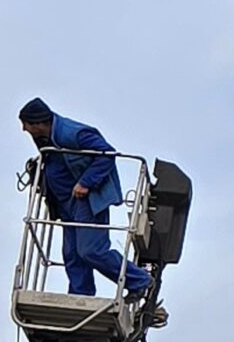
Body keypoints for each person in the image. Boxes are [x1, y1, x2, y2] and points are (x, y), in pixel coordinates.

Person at [18, 98, 166, 327]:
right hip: (67, 205)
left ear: (37, 123)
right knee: (72, 254)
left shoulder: (73, 133)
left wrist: (86, 182)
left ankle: (139, 280)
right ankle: (81, 297)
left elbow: (106, 155)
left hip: (87, 200)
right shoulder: (46, 138)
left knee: (91, 250)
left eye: (26, 124)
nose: (24, 130)